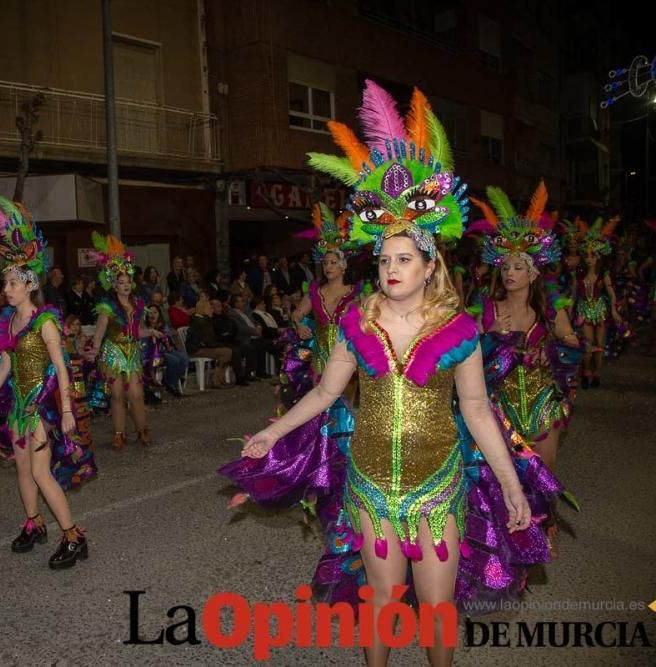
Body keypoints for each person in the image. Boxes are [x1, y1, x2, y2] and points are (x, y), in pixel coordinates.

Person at [222, 83, 560, 666]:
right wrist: (272, 434)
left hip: (437, 488)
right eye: (383, 259)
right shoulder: (357, 323)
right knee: (381, 598)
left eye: (404, 258)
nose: (391, 268)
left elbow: (477, 412)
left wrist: (508, 483)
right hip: (372, 487)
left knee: (435, 609)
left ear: (430, 266)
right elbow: (327, 392)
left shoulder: (458, 333)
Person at [0, 195, 95, 569]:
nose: (5, 289)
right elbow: (5, 364)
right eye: (5, 283)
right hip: (18, 407)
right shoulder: (9, 321)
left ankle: (74, 536)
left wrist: (65, 411)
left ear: (28, 285)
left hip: (41, 407)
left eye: (11, 283)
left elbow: (61, 367)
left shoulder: (45, 321)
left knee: (42, 473)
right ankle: (34, 523)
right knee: (23, 469)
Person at [471, 183, 583, 478]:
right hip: (501, 407)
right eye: (505, 267)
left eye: (518, 267)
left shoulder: (549, 312)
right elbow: (466, 358)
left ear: (532, 273)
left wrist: (552, 353)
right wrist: (490, 333)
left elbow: (571, 343)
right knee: (507, 476)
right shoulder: (488, 309)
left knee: (544, 471)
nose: (509, 273)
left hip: (543, 403)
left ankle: (546, 522)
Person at [86, 232, 164, 449]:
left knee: (137, 395)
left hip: (132, 353)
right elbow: (100, 333)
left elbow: (137, 331)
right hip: (112, 353)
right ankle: (119, 434)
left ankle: (142, 430)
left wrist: (152, 333)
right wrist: (95, 350)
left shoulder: (138, 306)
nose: (126, 285)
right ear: (115, 286)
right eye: (121, 282)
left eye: (128, 281)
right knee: (118, 395)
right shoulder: (107, 308)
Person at [288, 202, 365, 407]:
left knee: (345, 404)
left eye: (333, 263)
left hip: (347, 350)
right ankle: (322, 439)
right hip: (320, 352)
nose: (328, 267)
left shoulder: (356, 291)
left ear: (343, 266)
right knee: (320, 402)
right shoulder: (315, 290)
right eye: (325, 263)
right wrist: (300, 325)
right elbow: (297, 314)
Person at [569, 215, 622, 388]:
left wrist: (614, 310)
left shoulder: (603, 275)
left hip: (600, 310)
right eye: (587, 255)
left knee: (600, 344)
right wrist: (569, 313)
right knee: (588, 344)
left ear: (598, 257)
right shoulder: (579, 275)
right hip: (584, 309)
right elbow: (573, 294)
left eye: (593, 255)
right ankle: (586, 372)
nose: (589, 258)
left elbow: (612, 294)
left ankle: (597, 374)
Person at [183, 297, 233, 389]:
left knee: (226, 351)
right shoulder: (201, 322)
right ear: (203, 309)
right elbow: (209, 341)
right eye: (210, 308)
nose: (212, 310)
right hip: (196, 350)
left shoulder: (201, 320)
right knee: (226, 352)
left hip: (198, 347)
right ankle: (217, 381)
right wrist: (221, 345)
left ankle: (219, 379)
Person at [145, 304, 188, 397]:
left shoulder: (163, 325)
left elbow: (168, 339)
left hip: (166, 349)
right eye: (150, 313)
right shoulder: (145, 327)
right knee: (174, 361)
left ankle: (170, 382)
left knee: (184, 359)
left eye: (155, 312)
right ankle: (170, 383)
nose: (152, 315)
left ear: (159, 314)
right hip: (155, 353)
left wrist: (170, 346)